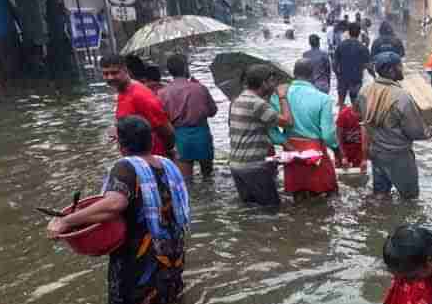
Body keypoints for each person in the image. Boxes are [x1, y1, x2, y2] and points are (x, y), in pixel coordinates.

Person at [47, 115, 189, 304]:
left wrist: (66, 221)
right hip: (171, 252)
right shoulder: (166, 164)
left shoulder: (125, 167)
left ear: (123, 145)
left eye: (115, 140)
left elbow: (114, 204)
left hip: (140, 257)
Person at [360, 52, 430, 199]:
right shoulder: (402, 97)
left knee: (380, 196)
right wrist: (430, 129)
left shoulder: (365, 91)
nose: (402, 69)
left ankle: (379, 219)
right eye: (400, 66)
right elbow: (416, 132)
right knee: (410, 199)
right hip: (399, 157)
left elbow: (362, 120)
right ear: (391, 70)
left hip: (376, 152)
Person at [228, 64, 292, 208]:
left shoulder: (239, 99)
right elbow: (287, 122)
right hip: (253, 167)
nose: (274, 84)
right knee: (272, 210)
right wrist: (282, 97)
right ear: (263, 83)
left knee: (251, 210)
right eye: (271, 81)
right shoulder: (258, 104)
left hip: (237, 166)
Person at [101, 54, 176, 159]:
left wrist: (167, 154)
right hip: (136, 160)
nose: (110, 77)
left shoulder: (140, 95)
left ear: (125, 70)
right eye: (105, 73)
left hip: (152, 160)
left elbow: (166, 130)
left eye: (114, 73)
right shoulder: (122, 91)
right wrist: (119, 131)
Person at [157, 53, 217, 182]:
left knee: (186, 181)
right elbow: (213, 111)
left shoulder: (162, 93)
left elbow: (162, 119)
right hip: (202, 134)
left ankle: (193, 201)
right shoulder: (200, 88)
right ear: (185, 68)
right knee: (208, 177)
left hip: (180, 137)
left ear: (170, 71)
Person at [283, 59, 339, 198]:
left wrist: (282, 141)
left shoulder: (281, 96)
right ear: (313, 75)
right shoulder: (323, 98)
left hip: (290, 149)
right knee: (329, 191)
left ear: (294, 74)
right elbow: (328, 136)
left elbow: (272, 129)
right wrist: (337, 150)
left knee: (298, 193)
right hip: (315, 150)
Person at [333, 22, 371, 108]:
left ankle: (340, 119)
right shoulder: (363, 48)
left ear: (349, 32)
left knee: (341, 104)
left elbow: (334, 64)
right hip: (356, 80)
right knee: (356, 106)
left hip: (342, 80)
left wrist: (338, 75)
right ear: (359, 33)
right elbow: (369, 66)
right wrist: (375, 76)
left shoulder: (341, 46)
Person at [335, 102, 365, 171]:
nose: (360, 118)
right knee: (342, 172)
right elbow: (338, 138)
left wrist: (364, 158)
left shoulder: (367, 115)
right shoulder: (344, 115)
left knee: (360, 172)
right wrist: (343, 157)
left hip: (359, 150)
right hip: (345, 148)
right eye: (359, 116)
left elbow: (368, 139)